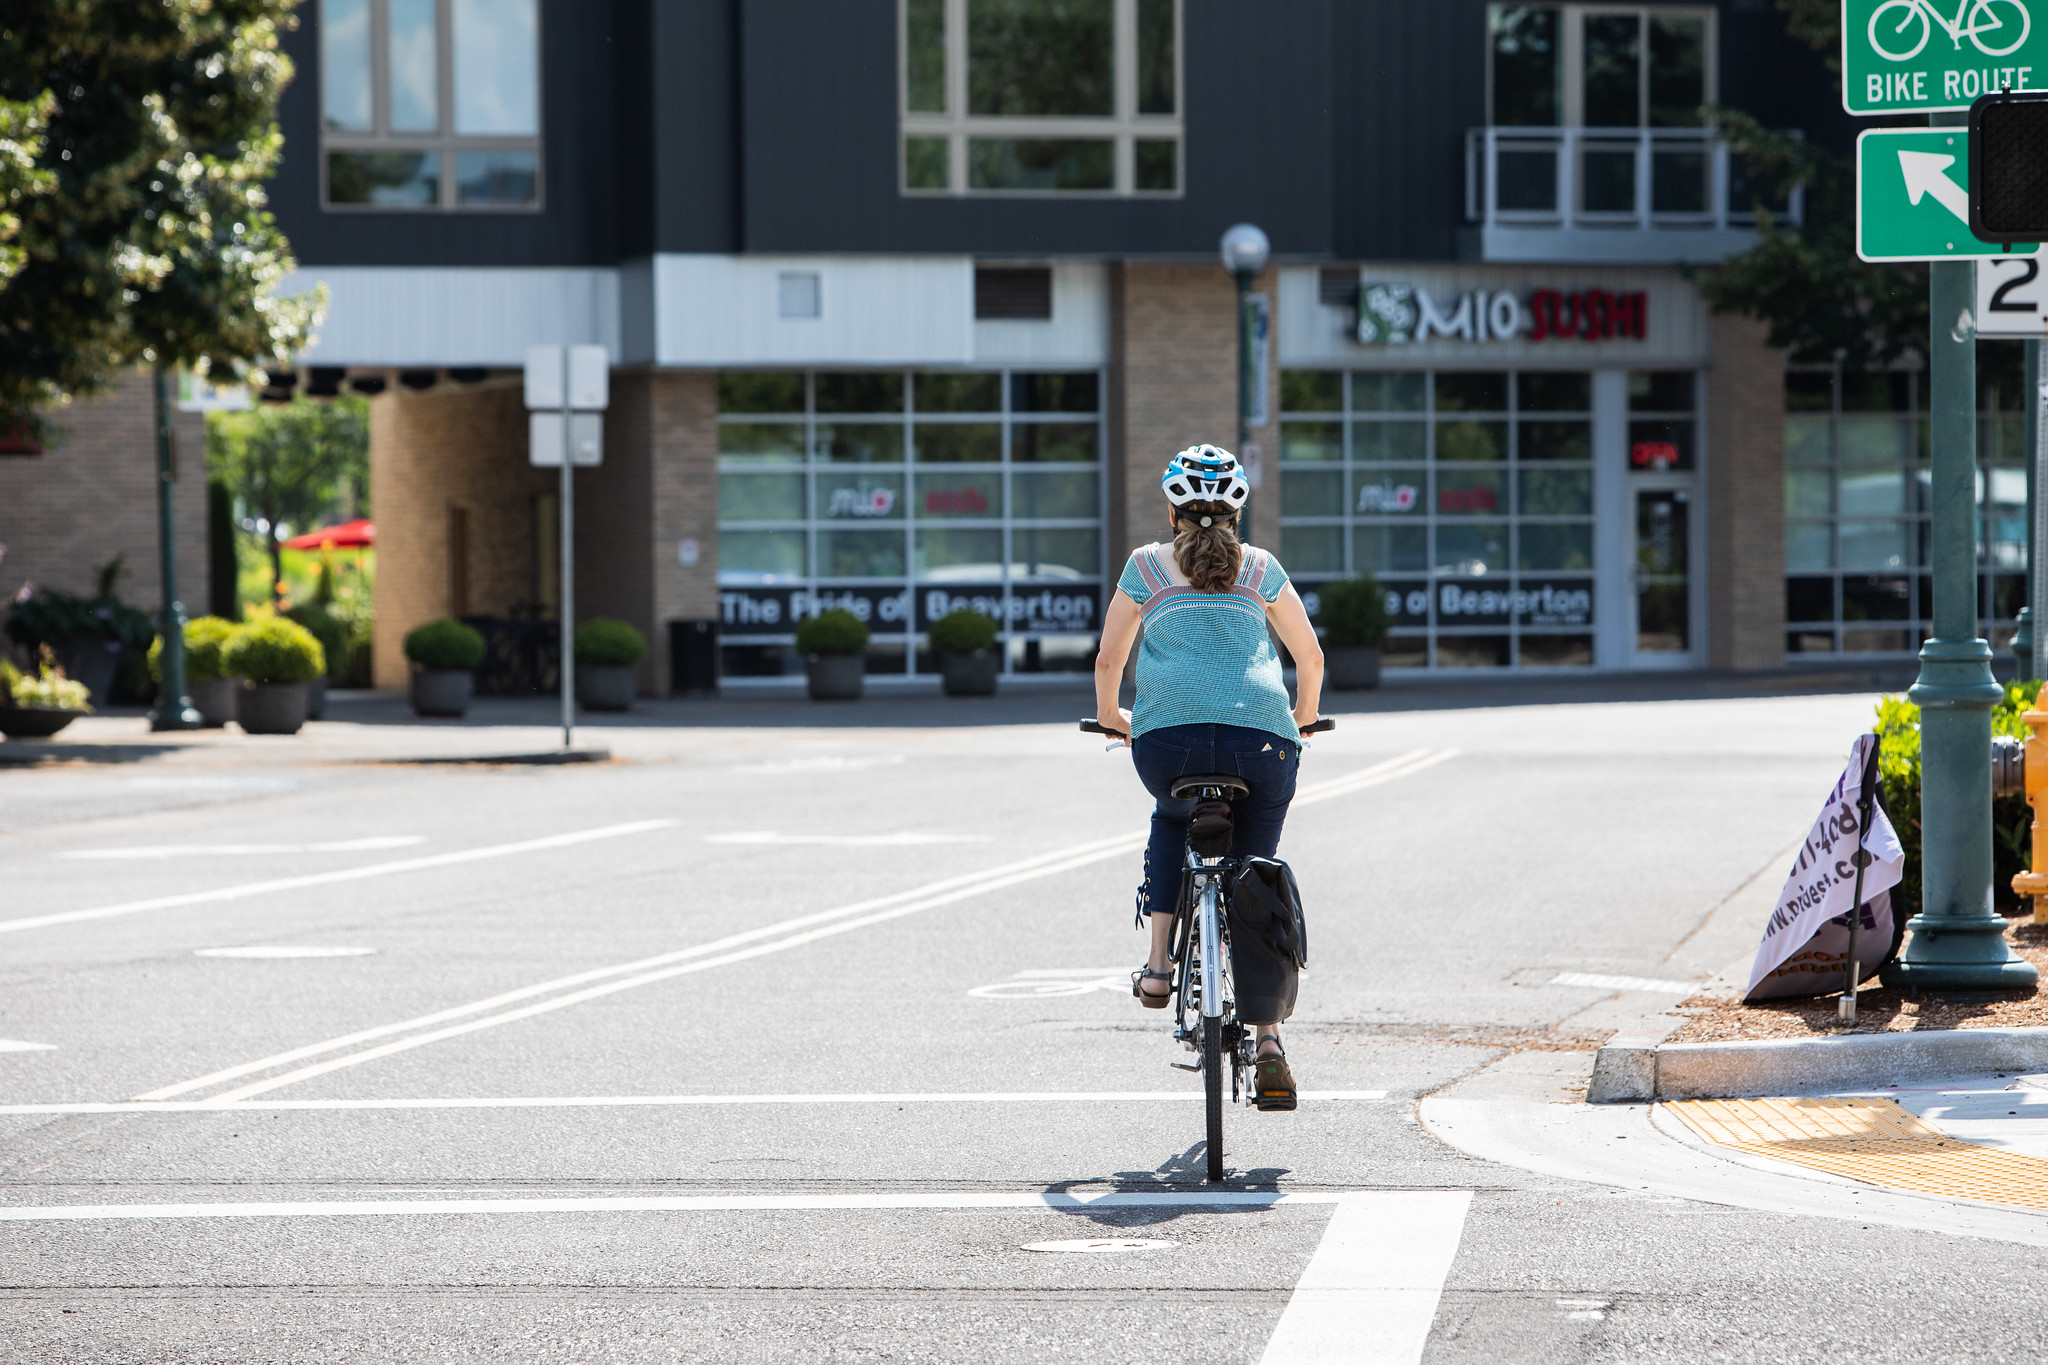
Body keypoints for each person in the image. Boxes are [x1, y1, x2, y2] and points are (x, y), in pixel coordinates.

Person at [1091, 444, 1324, 1111]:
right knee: (1256, 865)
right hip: (1263, 744)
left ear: (1171, 509)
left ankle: (1160, 966)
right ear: (1236, 510)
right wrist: (1301, 722)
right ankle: (1270, 1037)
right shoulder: (1262, 569)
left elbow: (1110, 660)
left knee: (1172, 818)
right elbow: (1309, 658)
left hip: (1169, 744)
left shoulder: (1144, 567)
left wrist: (1114, 718)